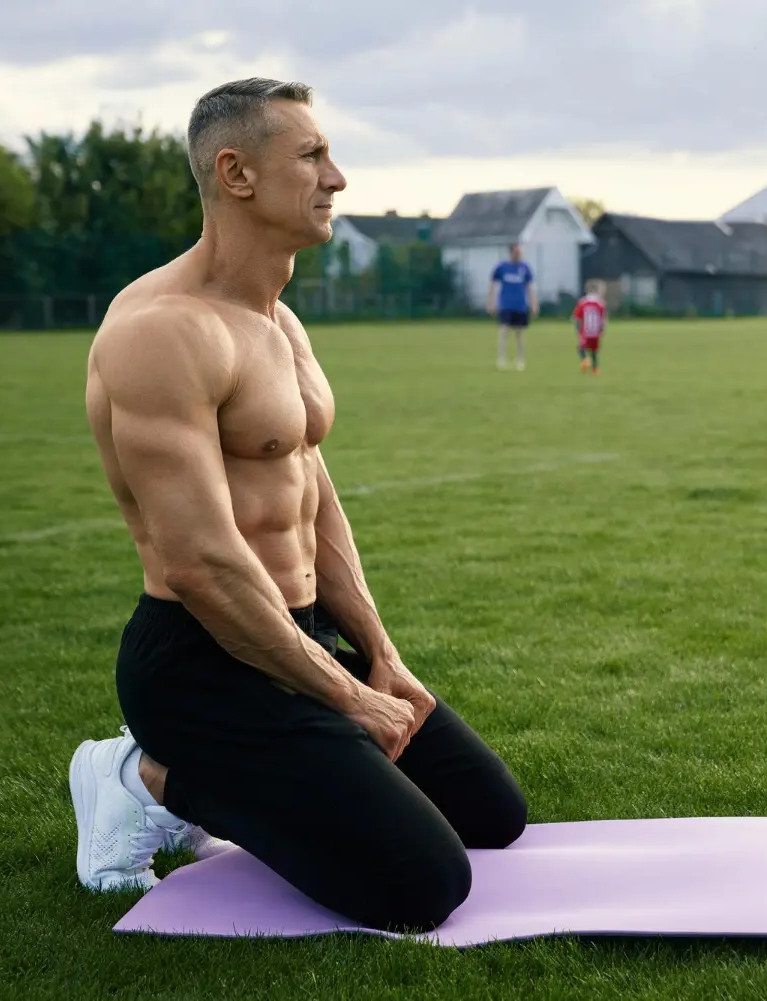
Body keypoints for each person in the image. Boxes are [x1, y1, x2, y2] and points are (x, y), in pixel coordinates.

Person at [70, 78, 527, 933]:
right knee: (422, 884)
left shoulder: (278, 321)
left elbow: (313, 492)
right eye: (313, 156)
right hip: (201, 666)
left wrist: (380, 657)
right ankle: (142, 777)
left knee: (491, 816)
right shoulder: (161, 331)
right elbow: (198, 563)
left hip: (299, 633)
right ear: (237, 173)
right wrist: (350, 702)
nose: (338, 178)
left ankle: (271, 763)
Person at [487, 243, 537, 371]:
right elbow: (492, 283)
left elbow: (530, 287)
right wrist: (491, 302)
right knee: (503, 331)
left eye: (520, 252)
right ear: (511, 253)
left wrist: (533, 304)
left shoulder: (525, 268)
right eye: (517, 252)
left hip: (520, 305)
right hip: (506, 305)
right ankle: (501, 359)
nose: (519, 255)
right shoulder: (502, 267)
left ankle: (520, 359)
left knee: (520, 333)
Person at [572, 280, 608, 374]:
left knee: (581, 347)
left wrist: (577, 329)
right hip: (596, 331)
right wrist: (603, 329)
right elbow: (603, 319)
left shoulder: (582, 302)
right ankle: (595, 369)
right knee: (594, 350)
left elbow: (576, 318)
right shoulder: (600, 303)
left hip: (585, 330)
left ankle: (585, 360)